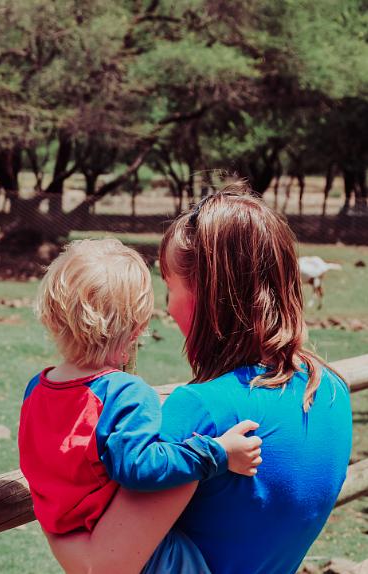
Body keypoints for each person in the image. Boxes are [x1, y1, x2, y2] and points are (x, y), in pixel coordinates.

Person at [46, 186, 353, 574]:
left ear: (207, 296)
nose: (167, 307)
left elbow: (101, 566)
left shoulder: (201, 410)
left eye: (170, 287)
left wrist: (50, 516)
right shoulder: (330, 391)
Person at [19, 238, 263, 573]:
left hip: (68, 532)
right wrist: (219, 453)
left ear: (52, 313)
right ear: (137, 329)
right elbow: (139, 467)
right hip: (143, 555)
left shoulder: (38, 388)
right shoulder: (124, 393)